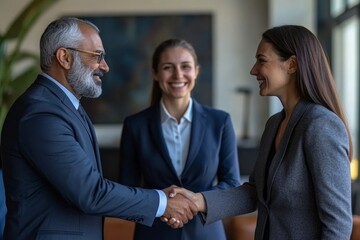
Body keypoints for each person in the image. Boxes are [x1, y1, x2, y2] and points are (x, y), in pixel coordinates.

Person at [0, 17, 197, 240]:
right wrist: (162, 203)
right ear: (65, 57)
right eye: (97, 56)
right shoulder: (41, 114)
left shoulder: (64, 106)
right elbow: (91, 193)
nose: (105, 66)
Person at [167, 25, 353, 239]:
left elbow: (338, 224)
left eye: (261, 60)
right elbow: (254, 192)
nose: (253, 70)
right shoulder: (274, 124)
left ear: (292, 64)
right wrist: (197, 200)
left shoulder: (321, 125)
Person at [118, 38, 241, 240]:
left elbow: (232, 185)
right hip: (153, 234)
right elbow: (127, 190)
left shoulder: (220, 122)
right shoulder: (135, 126)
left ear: (197, 71)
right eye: (168, 67)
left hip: (207, 234)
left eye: (186, 67)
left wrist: (194, 202)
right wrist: (162, 206)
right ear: (155, 73)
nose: (178, 75)